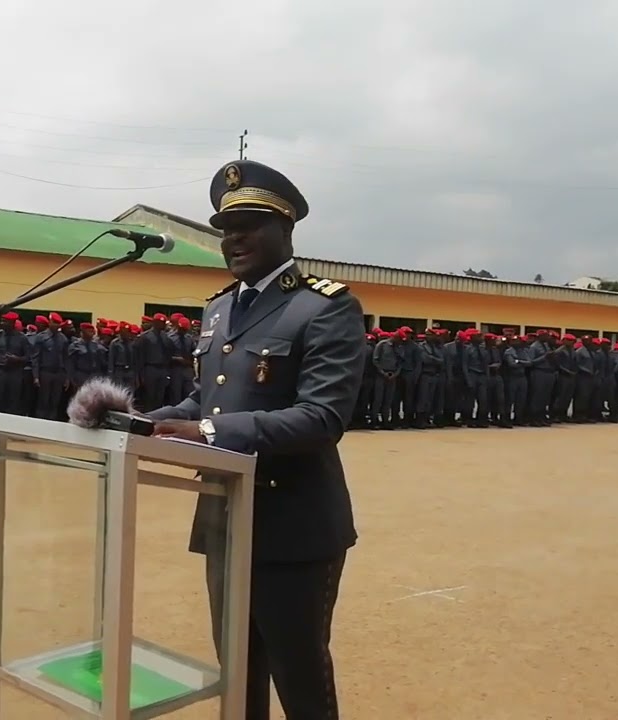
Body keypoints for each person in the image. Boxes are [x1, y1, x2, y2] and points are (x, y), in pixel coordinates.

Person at [146, 159, 366, 719]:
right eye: (226, 228)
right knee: (237, 674)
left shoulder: (324, 306)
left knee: (300, 678)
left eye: (249, 224)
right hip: (225, 518)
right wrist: (142, 422)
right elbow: (207, 401)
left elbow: (321, 417)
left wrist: (208, 432)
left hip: (292, 526)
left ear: (285, 229)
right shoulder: (220, 308)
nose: (234, 239)